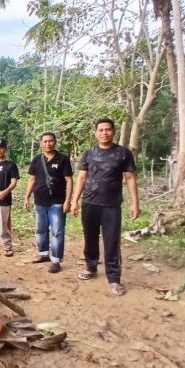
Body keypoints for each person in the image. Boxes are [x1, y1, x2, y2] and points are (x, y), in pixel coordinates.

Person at [70, 118, 140, 296]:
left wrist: (135, 203)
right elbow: (82, 178)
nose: (104, 133)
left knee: (111, 241)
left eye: (108, 130)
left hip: (111, 205)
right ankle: (91, 267)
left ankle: (114, 278)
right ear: (96, 133)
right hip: (90, 203)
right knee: (90, 238)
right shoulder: (89, 153)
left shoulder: (123, 153)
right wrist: (74, 201)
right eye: (100, 130)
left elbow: (130, 178)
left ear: (113, 132)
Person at [23, 132, 73, 273]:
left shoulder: (63, 159)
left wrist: (68, 201)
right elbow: (32, 180)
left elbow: (69, 181)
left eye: (50, 141)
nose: (48, 144)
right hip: (40, 202)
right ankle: (44, 253)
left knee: (57, 232)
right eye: (45, 141)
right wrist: (27, 197)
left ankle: (56, 260)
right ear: (41, 143)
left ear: (55, 142)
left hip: (57, 202)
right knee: (41, 230)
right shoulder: (37, 160)